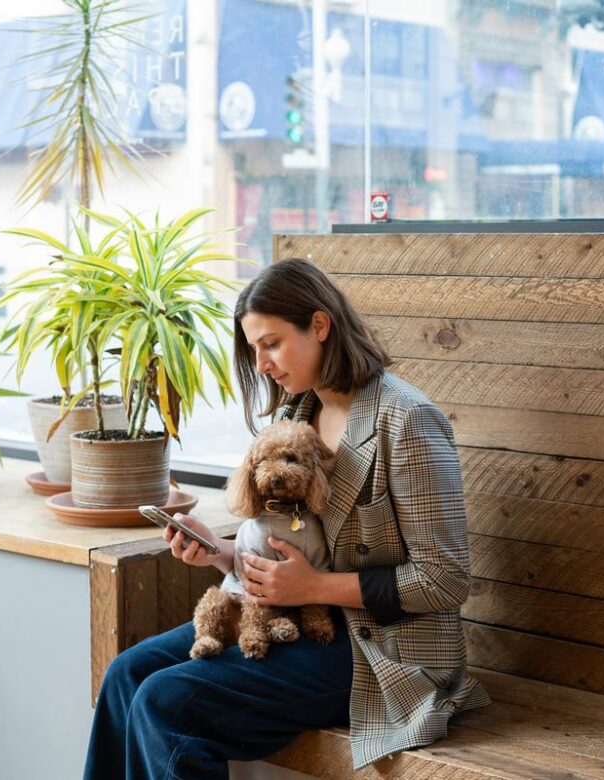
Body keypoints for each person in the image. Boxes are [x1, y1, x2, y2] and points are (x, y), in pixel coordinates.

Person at [83, 258, 491, 780]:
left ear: (319, 325)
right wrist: (222, 553)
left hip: (379, 647)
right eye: (254, 350)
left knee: (168, 701)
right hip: (290, 618)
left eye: (271, 344)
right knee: (126, 674)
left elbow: (445, 579)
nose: (261, 365)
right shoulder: (294, 414)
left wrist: (314, 587)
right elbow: (288, 549)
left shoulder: (407, 420)